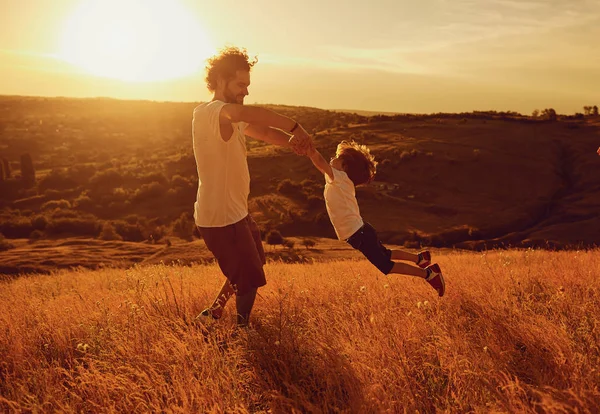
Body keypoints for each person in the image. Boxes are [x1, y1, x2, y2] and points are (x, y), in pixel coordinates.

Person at [193, 46, 312, 326]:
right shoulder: (210, 112)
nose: (245, 91)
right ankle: (242, 334)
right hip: (221, 217)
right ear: (221, 80)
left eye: (247, 85)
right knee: (248, 278)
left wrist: (295, 144)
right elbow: (258, 115)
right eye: (240, 84)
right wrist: (296, 127)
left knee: (254, 262)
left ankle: (212, 314)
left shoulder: (232, 118)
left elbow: (264, 131)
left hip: (236, 212)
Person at [305, 140, 446, 296]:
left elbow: (319, 162)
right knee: (386, 254)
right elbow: (322, 166)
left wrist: (311, 151)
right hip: (361, 232)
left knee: (386, 265)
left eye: (336, 158)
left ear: (344, 167)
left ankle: (429, 274)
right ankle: (419, 258)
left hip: (359, 234)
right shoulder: (338, 180)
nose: (332, 159)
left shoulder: (340, 178)